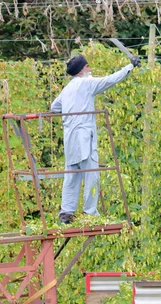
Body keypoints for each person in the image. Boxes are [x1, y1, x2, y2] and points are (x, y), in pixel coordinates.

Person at [51, 53, 141, 224]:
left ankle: (66, 213)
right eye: (87, 67)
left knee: (71, 175)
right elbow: (110, 80)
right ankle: (90, 213)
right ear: (81, 71)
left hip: (70, 139)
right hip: (85, 138)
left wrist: (70, 113)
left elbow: (54, 107)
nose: (90, 69)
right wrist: (129, 67)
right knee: (91, 175)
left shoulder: (67, 88)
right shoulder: (86, 83)